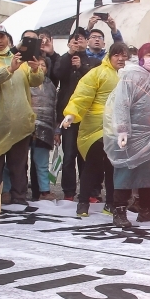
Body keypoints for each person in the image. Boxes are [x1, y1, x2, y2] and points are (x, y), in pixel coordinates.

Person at [0, 25, 46, 204]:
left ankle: (19, 199)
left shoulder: (20, 60)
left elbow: (35, 81)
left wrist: (36, 69)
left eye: (2, 37)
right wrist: (10, 69)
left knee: (19, 166)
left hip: (20, 124)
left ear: (8, 39)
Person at [103, 43, 150, 227]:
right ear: (141, 57)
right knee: (127, 172)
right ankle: (119, 210)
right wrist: (123, 129)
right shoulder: (131, 77)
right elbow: (122, 104)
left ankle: (147, 209)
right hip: (134, 135)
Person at [61, 42, 127, 217]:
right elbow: (82, 95)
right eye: (117, 55)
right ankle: (83, 202)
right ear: (110, 56)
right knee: (91, 165)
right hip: (95, 126)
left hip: (115, 127)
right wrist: (71, 114)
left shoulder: (125, 76)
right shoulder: (97, 73)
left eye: (124, 55)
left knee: (112, 166)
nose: (120, 59)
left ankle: (111, 203)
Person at [53, 30, 96, 200]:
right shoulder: (64, 59)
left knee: (87, 155)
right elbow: (57, 74)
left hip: (88, 115)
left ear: (87, 41)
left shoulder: (94, 61)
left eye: (82, 40)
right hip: (68, 115)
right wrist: (69, 55)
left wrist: (82, 67)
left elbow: (95, 79)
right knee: (69, 155)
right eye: (74, 41)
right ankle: (68, 191)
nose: (78, 43)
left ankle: (90, 191)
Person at [21, 29, 56, 201]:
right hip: (24, 126)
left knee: (42, 163)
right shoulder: (25, 80)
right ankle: (12, 189)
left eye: (43, 65)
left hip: (45, 129)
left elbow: (54, 108)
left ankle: (44, 191)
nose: (40, 67)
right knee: (18, 162)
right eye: (38, 65)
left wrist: (56, 130)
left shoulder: (50, 85)